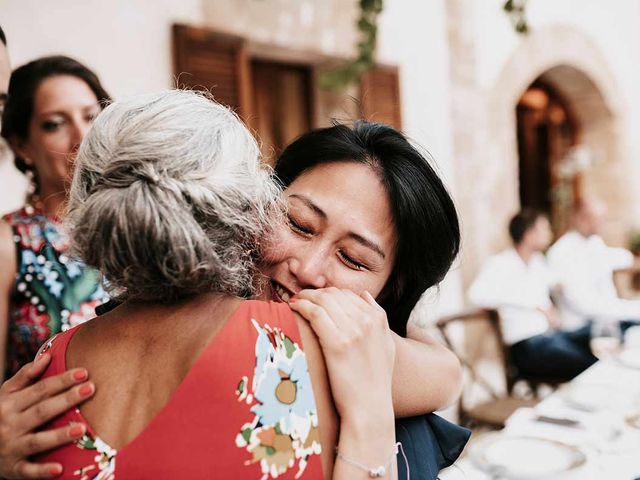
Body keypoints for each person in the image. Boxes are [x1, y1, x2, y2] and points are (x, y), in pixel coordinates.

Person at [0, 121, 468, 478]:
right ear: (252, 204)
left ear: (391, 291)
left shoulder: (63, 351)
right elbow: (442, 373)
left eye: (352, 259)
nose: (307, 267)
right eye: (299, 224)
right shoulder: (292, 353)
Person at [0, 56, 110, 381]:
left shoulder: (139, 229)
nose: (82, 137)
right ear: (22, 145)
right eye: (54, 124)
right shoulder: (10, 241)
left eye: (91, 117)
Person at [469, 209, 596, 381]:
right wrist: (536, 305)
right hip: (526, 345)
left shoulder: (537, 263)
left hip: (551, 336)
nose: (549, 234)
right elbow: (476, 295)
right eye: (544, 229)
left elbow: (559, 281)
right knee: (590, 365)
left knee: (597, 333)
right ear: (529, 235)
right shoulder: (501, 264)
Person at [548, 198, 640, 331]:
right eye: (597, 218)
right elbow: (585, 305)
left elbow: (617, 257)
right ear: (580, 218)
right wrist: (630, 310)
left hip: (608, 319)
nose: (602, 222)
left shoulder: (594, 242)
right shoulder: (562, 252)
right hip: (582, 327)